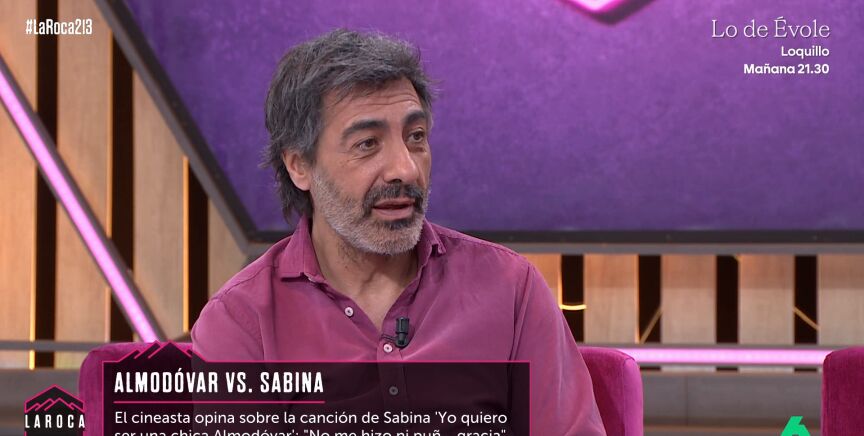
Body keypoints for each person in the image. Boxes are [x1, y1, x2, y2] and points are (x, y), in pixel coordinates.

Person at [191, 29, 606, 435]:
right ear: (300, 165)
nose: (405, 169)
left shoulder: (510, 288)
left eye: (416, 137)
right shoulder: (243, 321)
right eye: (367, 144)